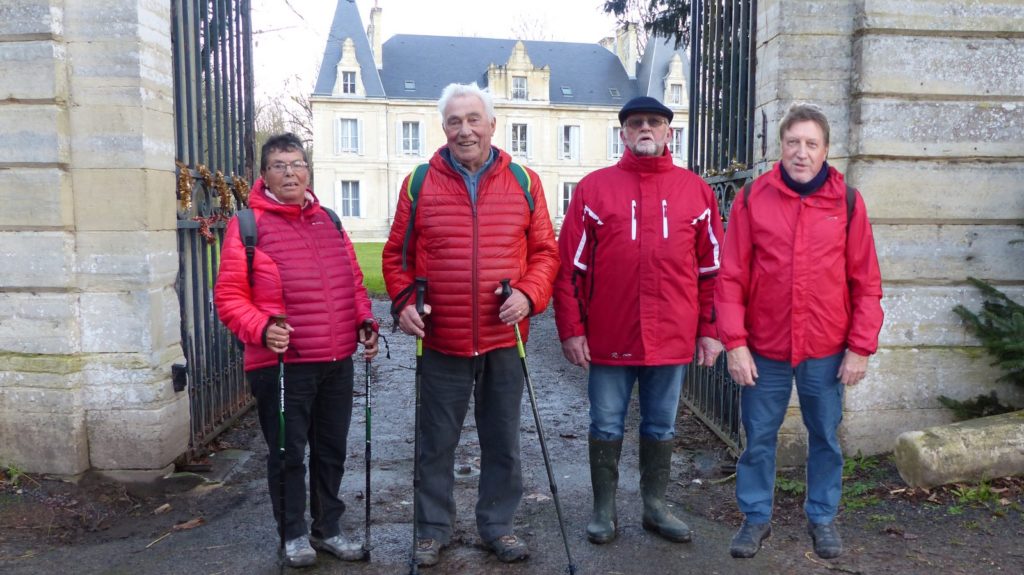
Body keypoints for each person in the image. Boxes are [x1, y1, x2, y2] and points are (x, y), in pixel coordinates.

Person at [382, 82, 558, 567]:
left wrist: (528, 294)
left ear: (492, 125)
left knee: (502, 441)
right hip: (442, 339)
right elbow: (396, 257)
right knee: (435, 443)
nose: (465, 130)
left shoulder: (525, 181)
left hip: (504, 339)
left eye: (473, 119)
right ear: (444, 128)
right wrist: (402, 303)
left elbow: (546, 253)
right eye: (455, 121)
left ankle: (498, 527)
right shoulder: (419, 182)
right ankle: (432, 529)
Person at [552, 96, 725, 546]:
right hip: (610, 335)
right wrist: (571, 329)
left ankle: (655, 507)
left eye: (654, 122)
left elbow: (713, 271)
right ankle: (603, 510)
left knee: (661, 426)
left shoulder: (696, 192)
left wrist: (710, 331)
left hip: (671, 337)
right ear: (623, 133)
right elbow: (569, 268)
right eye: (635, 123)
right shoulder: (594, 189)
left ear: (669, 132)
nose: (645, 129)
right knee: (606, 424)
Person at [715, 103, 883, 560]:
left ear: (826, 150)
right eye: (793, 143)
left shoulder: (846, 202)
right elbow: (731, 277)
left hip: (825, 349)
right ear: (780, 147)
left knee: (826, 437)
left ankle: (823, 518)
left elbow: (866, 282)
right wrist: (735, 344)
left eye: (811, 144)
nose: (801, 153)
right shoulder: (753, 198)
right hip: (764, 350)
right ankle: (755, 518)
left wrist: (859, 348)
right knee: (758, 436)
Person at [214, 133, 379, 568]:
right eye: (280, 165)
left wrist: (365, 321)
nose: (291, 172)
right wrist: (264, 328)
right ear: (264, 175)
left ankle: (328, 529)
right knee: (288, 453)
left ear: (309, 170)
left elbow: (355, 283)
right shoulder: (247, 225)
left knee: (332, 451)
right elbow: (229, 298)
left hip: (336, 359)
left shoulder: (329, 219)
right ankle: (293, 535)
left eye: (298, 164)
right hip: (282, 364)